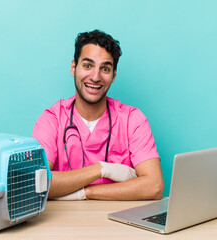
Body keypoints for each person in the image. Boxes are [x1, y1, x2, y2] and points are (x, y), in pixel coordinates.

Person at [32, 29, 163, 200]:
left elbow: (154, 186)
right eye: (87, 66)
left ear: (113, 75)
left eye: (105, 69)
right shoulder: (52, 119)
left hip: (119, 222)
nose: (95, 77)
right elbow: (36, 183)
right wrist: (102, 169)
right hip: (63, 223)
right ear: (74, 68)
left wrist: (86, 192)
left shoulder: (132, 119)